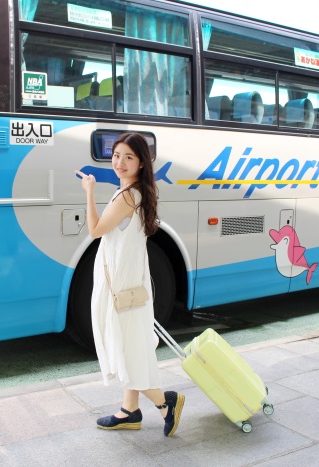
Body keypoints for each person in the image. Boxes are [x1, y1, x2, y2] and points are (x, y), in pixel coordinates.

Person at [75, 132, 185, 437]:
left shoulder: (127, 195)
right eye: (116, 155)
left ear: (141, 163)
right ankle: (129, 411)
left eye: (128, 157)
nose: (119, 162)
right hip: (131, 284)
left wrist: (88, 190)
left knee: (127, 348)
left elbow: (96, 230)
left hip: (123, 287)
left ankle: (166, 404)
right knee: (130, 347)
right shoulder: (138, 191)